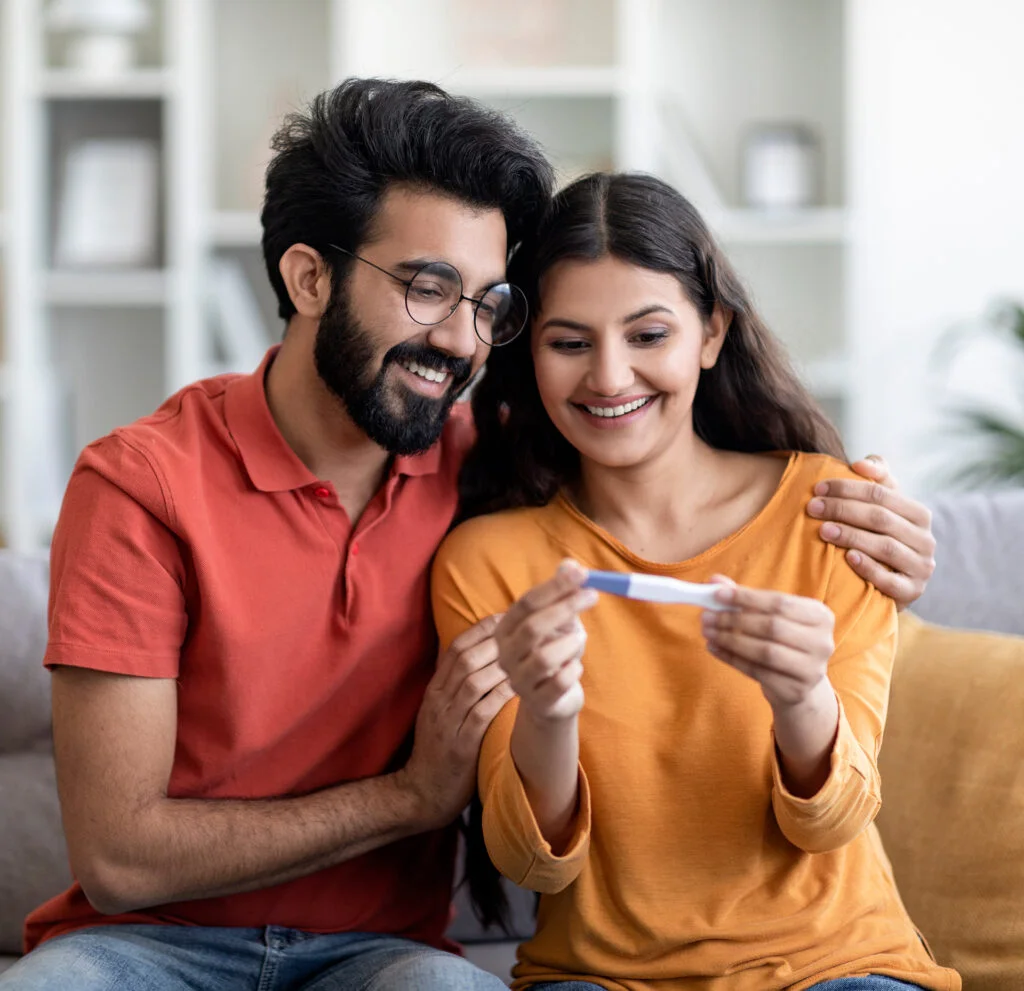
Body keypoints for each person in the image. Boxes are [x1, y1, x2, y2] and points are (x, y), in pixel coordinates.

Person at [2, 80, 935, 991]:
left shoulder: (486, 465)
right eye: (426, 288)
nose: (462, 343)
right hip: (142, 945)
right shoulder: (140, 484)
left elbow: (649, 454)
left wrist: (896, 535)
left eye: (488, 304)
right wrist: (412, 795)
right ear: (308, 276)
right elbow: (120, 856)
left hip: (380, 953)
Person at [432, 172, 957, 991]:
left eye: (649, 335)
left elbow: (835, 822)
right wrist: (549, 710)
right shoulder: (488, 561)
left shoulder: (830, 512)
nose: (609, 377)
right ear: (527, 352)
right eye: (570, 343)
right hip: (598, 976)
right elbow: (530, 862)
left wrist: (801, 698)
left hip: (838, 966)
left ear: (711, 333)